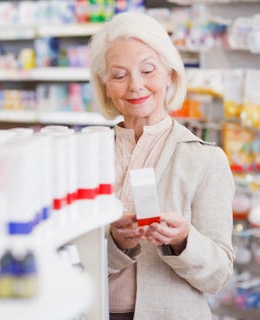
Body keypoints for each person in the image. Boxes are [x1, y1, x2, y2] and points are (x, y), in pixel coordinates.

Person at [86, 11, 235, 320]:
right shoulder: (88, 155)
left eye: (148, 70)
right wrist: (116, 245)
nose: (135, 86)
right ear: (105, 87)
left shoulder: (205, 160)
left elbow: (218, 277)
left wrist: (182, 241)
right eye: (119, 74)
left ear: (170, 75)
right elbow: (70, 260)